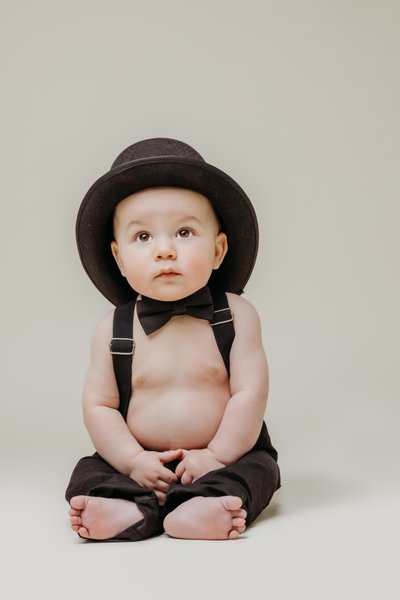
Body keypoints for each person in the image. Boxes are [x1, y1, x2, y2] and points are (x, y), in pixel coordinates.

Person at [66, 137, 280, 541]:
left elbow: (250, 394)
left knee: (259, 468)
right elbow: (99, 406)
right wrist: (131, 460)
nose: (165, 250)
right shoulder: (113, 328)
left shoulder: (236, 315)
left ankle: (207, 505)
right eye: (143, 237)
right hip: (141, 459)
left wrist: (216, 455)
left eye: (184, 232)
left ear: (218, 250)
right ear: (119, 259)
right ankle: (126, 506)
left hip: (226, 453)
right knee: (91, 470)